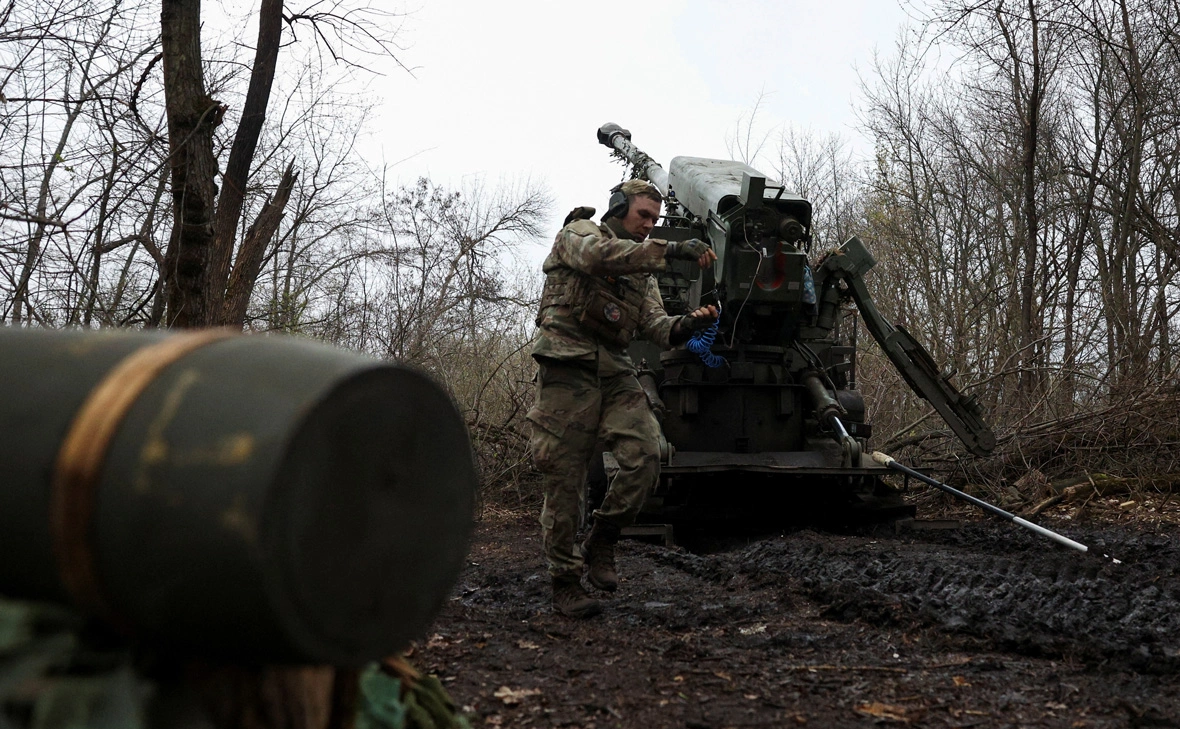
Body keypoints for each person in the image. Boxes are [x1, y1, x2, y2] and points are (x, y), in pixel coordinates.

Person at [527, 178, 718, 618]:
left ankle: (603, 538)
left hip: (614, 373)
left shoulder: (642, 272)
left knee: (647, 454)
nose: (649, 226)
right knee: (565, 478)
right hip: (567, 369)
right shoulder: (580, 234)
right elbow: (599, 259)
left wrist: (688, 324)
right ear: (617, 208)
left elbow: (656, 326)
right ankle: (566, 582)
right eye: (642, 216)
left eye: (655, 219)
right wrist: (672, 250)